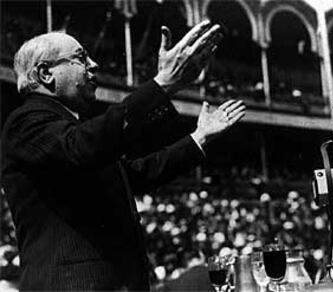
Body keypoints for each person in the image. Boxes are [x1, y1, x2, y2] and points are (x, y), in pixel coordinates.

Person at [1, 20, 246, 291]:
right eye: (81, 58)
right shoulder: (25, 122)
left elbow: (134, 175)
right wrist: (162, 85)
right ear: (46, 73)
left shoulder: (69, 132)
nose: (94, 65)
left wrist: (199, 138)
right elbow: (83, 146)